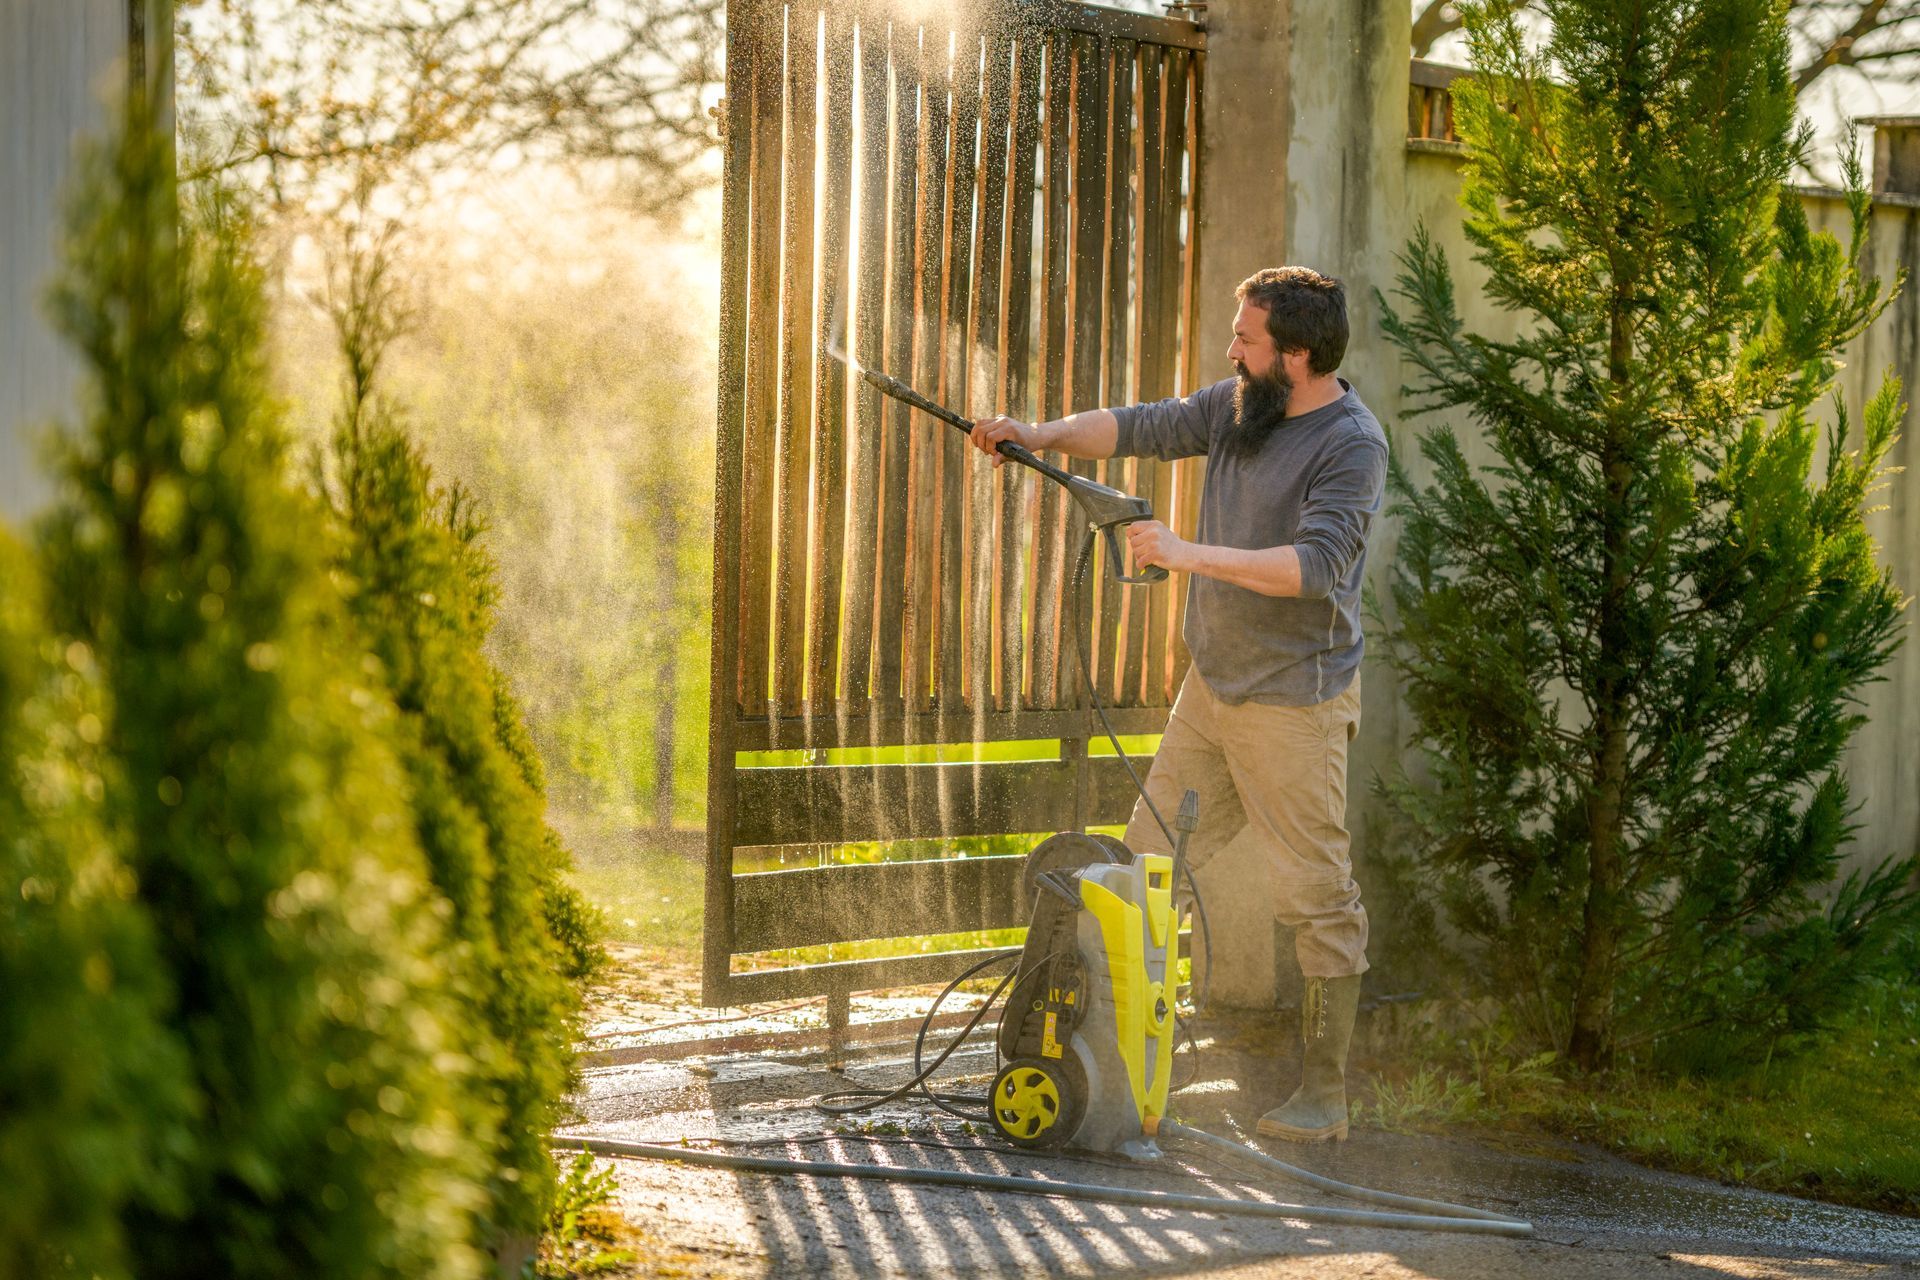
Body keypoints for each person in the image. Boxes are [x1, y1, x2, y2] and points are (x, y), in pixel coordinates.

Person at [968, 266, 1387, 1143]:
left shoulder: (1351, 443)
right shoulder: (1243, 402)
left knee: (1316, 895)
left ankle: (1325, 1096)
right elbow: (1137, 426)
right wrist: (1033, 433)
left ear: (1297, 356)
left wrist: (1186, 553)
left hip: (1292, 704)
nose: (1231, 351)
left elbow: (1317, 568)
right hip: (1214, 688)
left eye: (1247, 339)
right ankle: (1119, 1065)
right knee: (1142, 870)